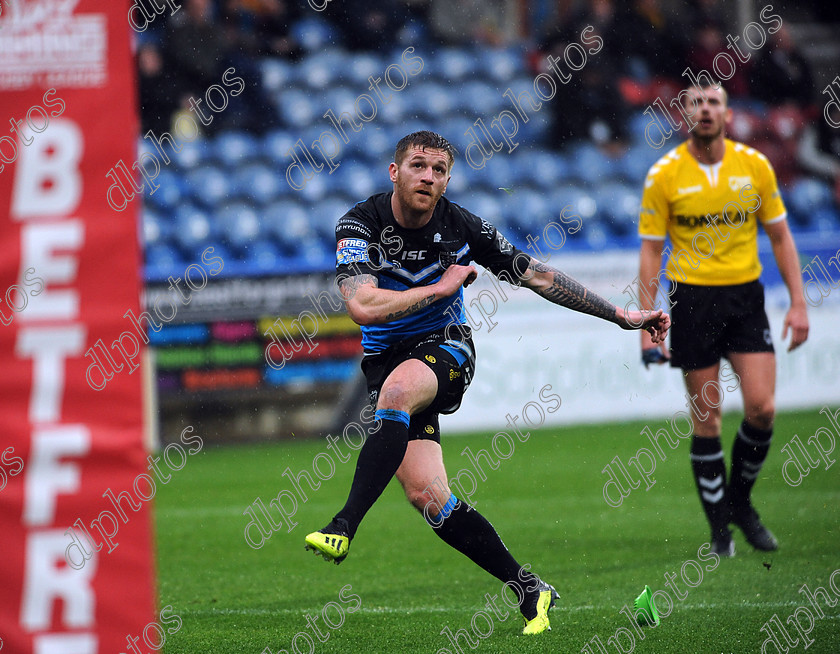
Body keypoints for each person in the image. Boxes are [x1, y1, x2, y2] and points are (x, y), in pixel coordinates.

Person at [304, 131, 671, 634]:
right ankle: (529, 589)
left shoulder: (462, 227)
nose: (427, 177)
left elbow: (538, 276)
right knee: (430, 498)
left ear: (447, 180)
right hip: (386, 361)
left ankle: (343, 525)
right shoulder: (360, 224)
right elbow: (361, 305)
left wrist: (621, 316)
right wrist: (440, 286)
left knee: (395, 394)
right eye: (417, 166)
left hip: (446, 347)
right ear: (395, 172)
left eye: (438, 170)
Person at [636, 84, 809, 556]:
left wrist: (798, 302)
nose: (706, 110)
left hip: (744, 298)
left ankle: (740, 503)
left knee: (762, 409)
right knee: (707, 421)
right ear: (685, 114)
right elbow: (652, 250)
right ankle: (720, 533)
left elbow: (780, 236)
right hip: (691, 302)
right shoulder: (664, 174)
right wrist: (648, 324)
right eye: (696, 102)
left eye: (714, 102)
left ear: (728, 114)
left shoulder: (754, 166)